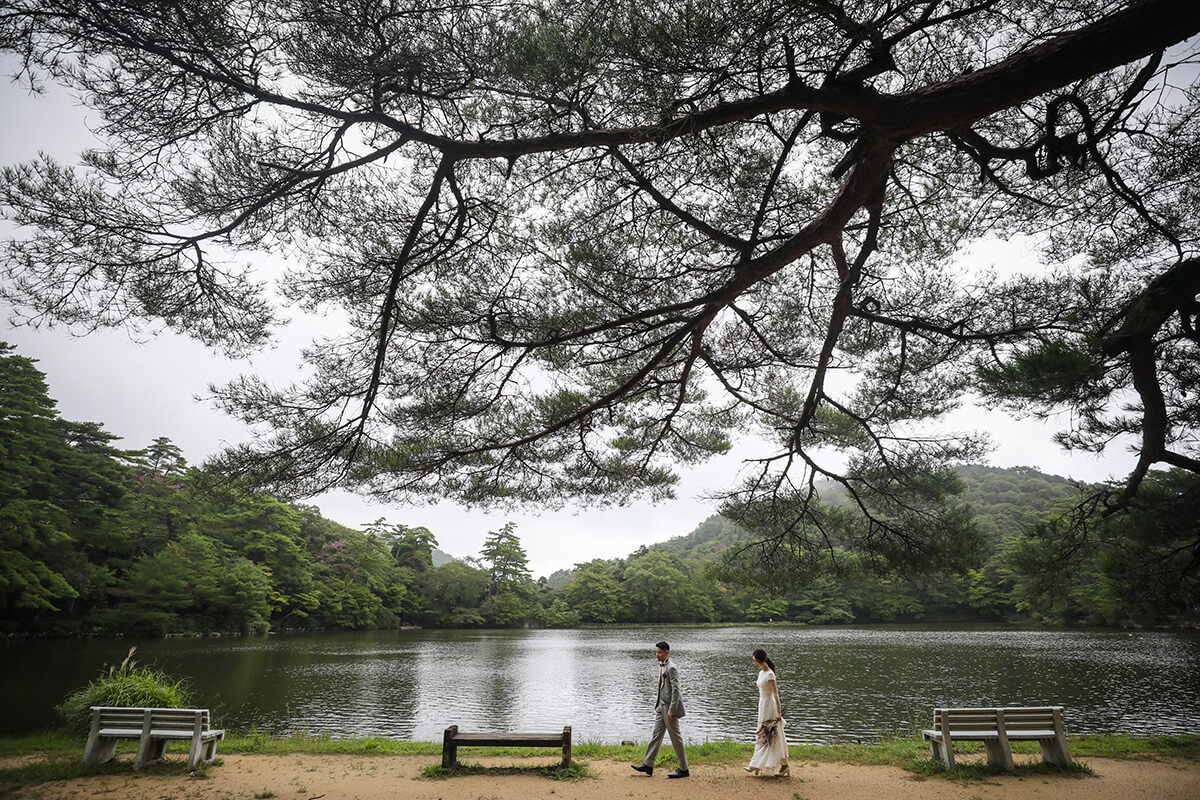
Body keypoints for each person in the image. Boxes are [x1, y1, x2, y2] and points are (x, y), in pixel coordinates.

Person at [631, 640, 689, 778]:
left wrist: (672, 710)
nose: (657, 655)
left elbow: (676, 691)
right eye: (656, 652)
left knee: (676, 738)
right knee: (656, 735)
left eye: (659, 653)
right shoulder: (662, 665)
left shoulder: (671, 668)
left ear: (666, 653)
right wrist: (659, 706)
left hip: (669, 708)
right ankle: (648, 765)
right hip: (660, 706)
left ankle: (684, 769)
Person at [744, 647, 789, 777]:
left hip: (770, 705)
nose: (754, 664)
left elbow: (776, 694)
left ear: (761, 660)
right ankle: (758, 764)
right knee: (762, 733)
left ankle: (782, 765)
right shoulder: (761, 673)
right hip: (762, 705)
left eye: (755, 661)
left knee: (770, 734)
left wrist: (779, 713)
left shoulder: (770, 674)